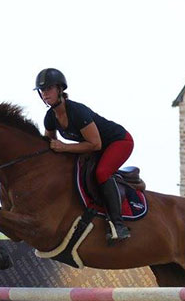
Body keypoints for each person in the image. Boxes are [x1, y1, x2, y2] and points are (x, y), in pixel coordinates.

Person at [34, 68, 134, 242]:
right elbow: (49, 146)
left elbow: (96, 144)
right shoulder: (50, 117)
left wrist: (64, 147)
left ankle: (119, 225)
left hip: (119, 141)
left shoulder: (77, 111)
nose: (45, 93)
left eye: (48, 88)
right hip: (95, 147)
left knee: (102, 173)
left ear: (59, 89)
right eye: (42, 90)